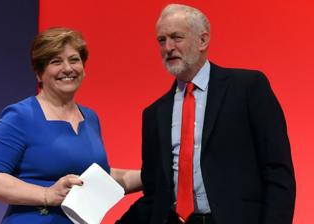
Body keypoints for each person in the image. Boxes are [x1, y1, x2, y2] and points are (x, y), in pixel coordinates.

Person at [118, 3, 295, 224]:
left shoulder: (248, 88)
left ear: (203, 40)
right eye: (161, 40)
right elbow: (155, 192)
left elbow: (278, 171)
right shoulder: (154, 114)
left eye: (176, 37)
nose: (168, 47)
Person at [0, 27, 141, 224]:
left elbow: (100, 177)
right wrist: (46, 194)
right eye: (56, 62)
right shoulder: (20, 116)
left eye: (74, 60)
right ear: (39, 73)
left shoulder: (89, 117)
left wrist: (153, 175)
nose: (68, 68)